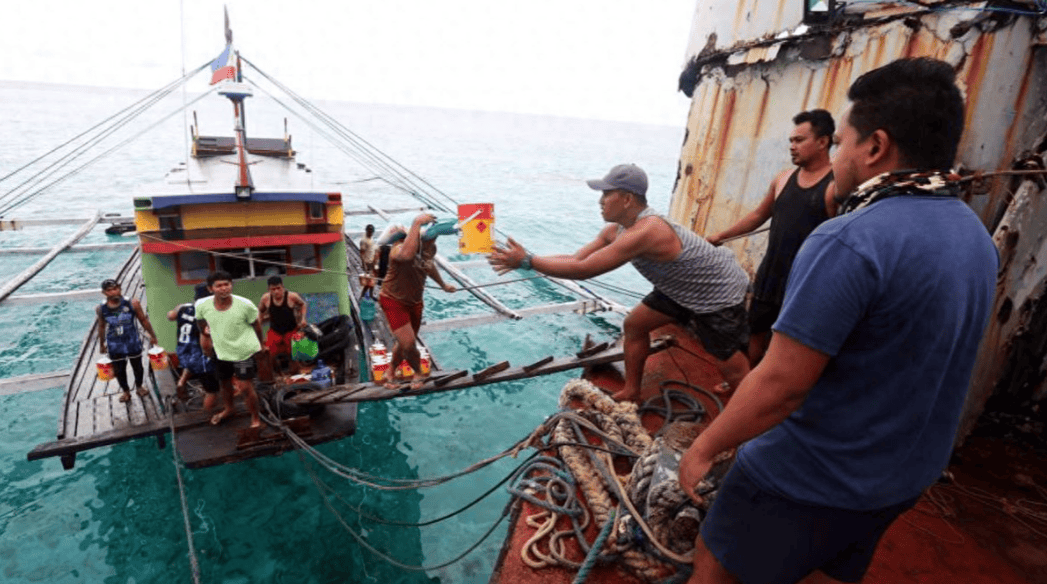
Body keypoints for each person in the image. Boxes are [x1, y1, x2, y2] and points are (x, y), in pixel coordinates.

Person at [679, 58, 998, 584]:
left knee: (713, 565)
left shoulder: (849, 238)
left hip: (812, 474)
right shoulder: (975, 237)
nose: (838, 156)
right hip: (902, 478)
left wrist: (704, 447)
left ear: (875, 147)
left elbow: (782, 385)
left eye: (843, 141)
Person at [488, 163, 751, 402]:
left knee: (726, 360)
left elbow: (583, 270)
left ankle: (745, 408)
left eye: (606, 194)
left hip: (715, 292)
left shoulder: (647, 230)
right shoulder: (616, 230)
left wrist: (528, 261)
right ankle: (632, 390)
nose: (600, 201)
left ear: (626, 199)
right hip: (679, 288)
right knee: (635, 325)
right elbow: (577, 258)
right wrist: (525, 258)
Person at [706, 109, 838, 366]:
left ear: (823, 142)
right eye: (791, 140)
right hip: (771, 274)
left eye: (799, 140)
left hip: (805, 280)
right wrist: (721, 235)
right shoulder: (783, 178)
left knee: (789, 345)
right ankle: (744, 381)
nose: (792, 146)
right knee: (754, 333)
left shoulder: (835, 186)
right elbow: (758, 215)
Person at [377, 213, 457, 390]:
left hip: (415, 302)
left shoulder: (430, 248)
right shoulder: (398, 247)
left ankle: (390, 371)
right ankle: (418, 372)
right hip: (393, 300)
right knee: (408, 343)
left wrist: (443, 285)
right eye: (431, 237)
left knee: (404, 343)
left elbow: (428, 265)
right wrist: (416, 223)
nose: (433, 240)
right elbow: (406, 256)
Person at [195, 271, 267, 428]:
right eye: (219, 285)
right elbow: (200, 322)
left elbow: (256, 325)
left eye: (226, 284)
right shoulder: (202, 305)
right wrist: (206, 336)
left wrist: (261, 345)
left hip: (243, 351)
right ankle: (229, 409)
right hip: (220, 351)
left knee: (245, 387)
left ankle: (255, 418)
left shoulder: (245, 304)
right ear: (210, 289)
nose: (223, 288)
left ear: (231, 285)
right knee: (224, 383)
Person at [97, 279, 159, 403]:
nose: (114, 292)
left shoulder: (132, 303)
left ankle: (139, 386)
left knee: (137, 366)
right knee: (119, 369)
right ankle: (126, 391)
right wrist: (101, 344)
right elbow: (102, 326)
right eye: (109, 290)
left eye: (115, 288)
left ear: (120, 288)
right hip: (115, 343)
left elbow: (143, 320)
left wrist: (153, 335)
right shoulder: (101, 308)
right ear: (104, 293)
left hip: (132, 340)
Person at [166, 283, 219, 403]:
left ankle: (181, 382)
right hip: (198, 351)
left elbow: (170, 316)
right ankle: (209, 403)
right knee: (212, 388)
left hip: (182, 348)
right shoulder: (206, 313)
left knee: (191, 363)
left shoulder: (183, 307)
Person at [258, 275, 307, 373]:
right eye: (273, 289)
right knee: (269, 354)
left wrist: (303, 319)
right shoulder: (266, 298)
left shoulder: (292, 296)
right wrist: (259, 323)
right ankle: (279, 374)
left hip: (291, 330)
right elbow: (260, 311)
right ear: (269, 290)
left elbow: (303, 304)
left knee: (293, 355)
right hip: (275, 331)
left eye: (278, 288)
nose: (276, 291)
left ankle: (295, 375)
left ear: (283, 287)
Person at [359, 224, 378, 299]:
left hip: (372, 262)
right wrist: (364, 265)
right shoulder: (364, 240)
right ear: (366, 230)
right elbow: (361, 253)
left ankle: (371, 294)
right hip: (368, 263)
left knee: (372, 280)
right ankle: (362, 296)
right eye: (369, 231)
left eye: (371, 231)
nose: (370, 232)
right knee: (368, 281)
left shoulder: (371, 238)